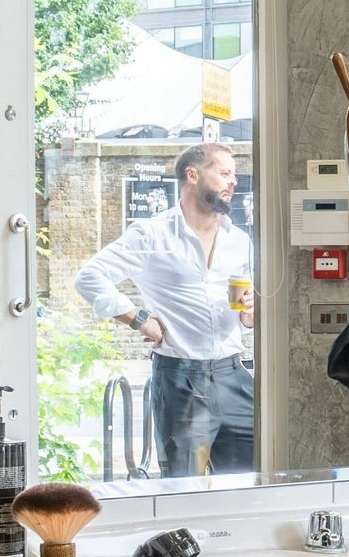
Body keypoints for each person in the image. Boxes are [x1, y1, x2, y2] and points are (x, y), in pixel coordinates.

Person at [73, 139, 258, 479]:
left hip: (235, 375)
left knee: (252, 478)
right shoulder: (152, 235)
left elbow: (247, 313)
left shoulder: (239, 240)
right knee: (183, 485)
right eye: (224, 173)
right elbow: (89, 277)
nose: (233, 182)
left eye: (234, 175)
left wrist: (251, 312)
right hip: (181, 379)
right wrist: (138, 319)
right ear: (193, 175)